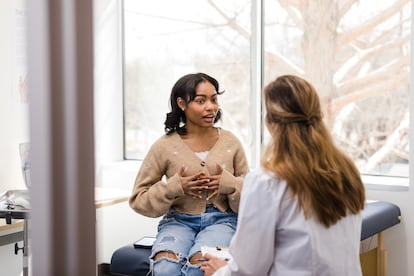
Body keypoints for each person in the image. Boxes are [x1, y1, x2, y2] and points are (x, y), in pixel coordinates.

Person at [201, 75, 366, 276]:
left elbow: (247, 270)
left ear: (269, 123)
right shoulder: (346, 172)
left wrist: (219, 272)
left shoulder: (267, 182)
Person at [129, 72, 249, 276]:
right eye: (201, 101)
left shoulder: (231, 143)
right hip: (178, 222)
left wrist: (229, 184)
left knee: (199, 268)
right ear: (182, 104)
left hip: (222, 221)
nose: (210, 107)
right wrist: (174, 188)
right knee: (165, 269)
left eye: (214, 99)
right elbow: (139, 199)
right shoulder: (165, 146)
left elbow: (252, 196)